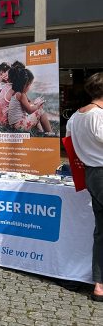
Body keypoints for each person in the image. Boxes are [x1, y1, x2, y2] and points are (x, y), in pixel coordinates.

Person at [65, 72, 103, 302]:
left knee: (101, 232)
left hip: (91, 174)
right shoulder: (99, 116)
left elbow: (70, 145)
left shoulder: (76, 117)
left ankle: (99, 284)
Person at [7, 65, 52, 134]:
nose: (30, 87)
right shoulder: (21, 95)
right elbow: (29, 110)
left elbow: (27, 105)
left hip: (15, 126)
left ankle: (40, 132)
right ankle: (50, 133)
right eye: (30, 84)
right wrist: (37, 106)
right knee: (40, 112)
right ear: (25, 84)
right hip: (20, 126)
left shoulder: (16, 93)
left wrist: (35, 104)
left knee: (35, 116)